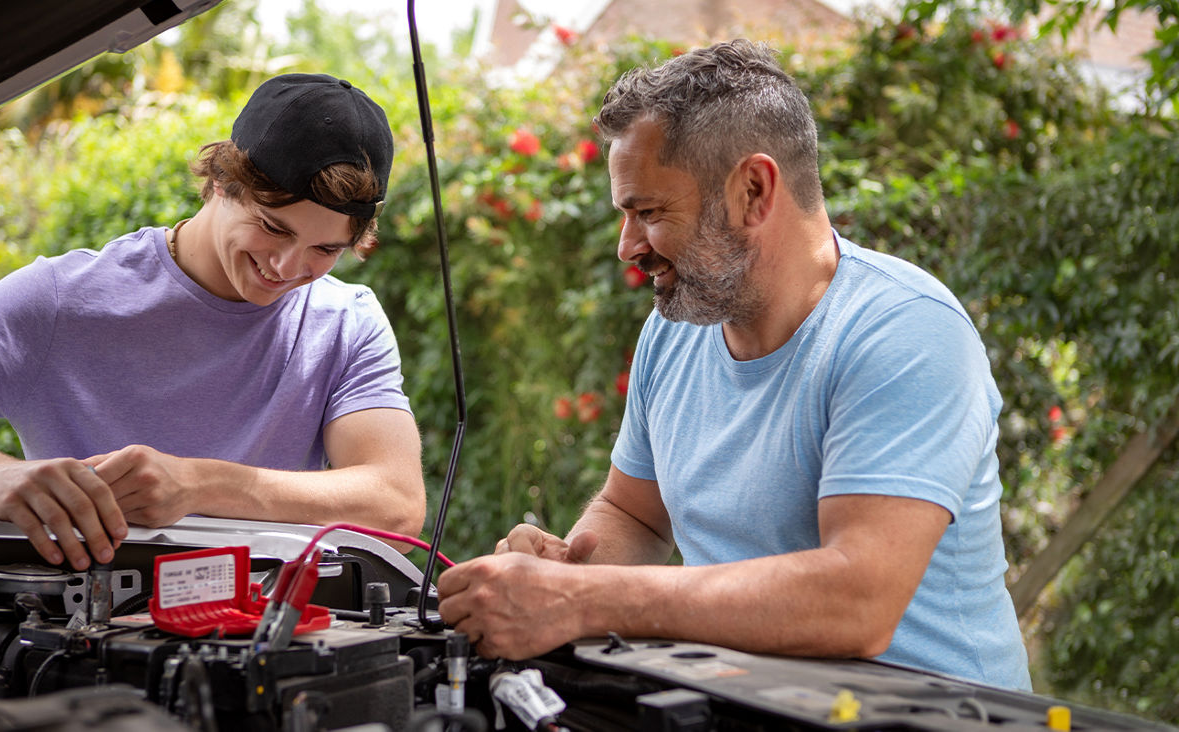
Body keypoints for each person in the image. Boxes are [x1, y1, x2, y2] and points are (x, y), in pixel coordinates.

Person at [437, 40, 1031, 690]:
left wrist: (585, 602)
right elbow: (634, 512)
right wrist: (565, 571)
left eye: (650, 212)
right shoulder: (677, 330)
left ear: (753, 190)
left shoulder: (905, 331)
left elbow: (858, 602)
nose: (627, 247)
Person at [0, 74, 424, 572]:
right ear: (222, 180)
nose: (288, 268)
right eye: (272, 228)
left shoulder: (347, 322)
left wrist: (197, 484)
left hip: (274, 642)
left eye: (325, 248)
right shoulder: (60, 301)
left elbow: (396, 503)